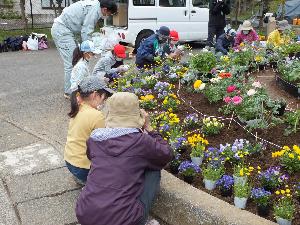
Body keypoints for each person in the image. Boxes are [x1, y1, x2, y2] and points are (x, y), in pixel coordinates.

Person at [76, 92, 173, 225]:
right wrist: (149, 128)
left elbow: (91, 157)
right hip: (122, 220)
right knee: (154, 169)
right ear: (137, 114)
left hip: (85, 214)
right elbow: (166, 154)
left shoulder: (95, 138)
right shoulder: (141, 141)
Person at [51, 0, 117, 98]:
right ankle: (70, 92)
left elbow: (84, 30)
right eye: (109, 14)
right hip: (62, 30)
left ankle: (78, 87)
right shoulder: (95, 10)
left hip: (68, 30)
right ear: (105, 9)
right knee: (72, 62)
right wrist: (90, 49)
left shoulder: (95, 6)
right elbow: (86, 32)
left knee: (78, 60)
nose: (108, 16)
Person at [65, 76, 114, 185]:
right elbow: (105, 144)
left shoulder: (78, 107)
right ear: (95, 95)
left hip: (70, 162)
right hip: (83, 167)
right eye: (104, 98)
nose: (104, 101)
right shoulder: (96, 115)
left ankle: (82, 178)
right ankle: (90, 180)